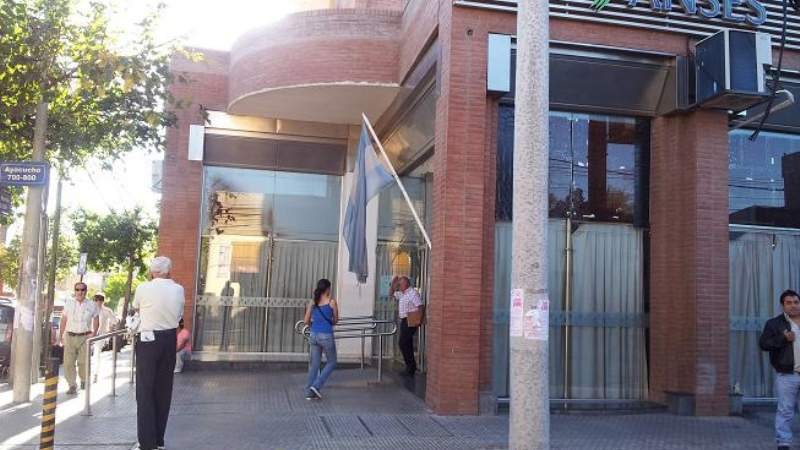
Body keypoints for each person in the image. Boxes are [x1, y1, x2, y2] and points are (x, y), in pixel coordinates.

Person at [132, 256, 185, 450]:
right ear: (169, 271)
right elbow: (179, 315)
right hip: (169, 339)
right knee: (163, 389)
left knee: (145, 390)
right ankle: (159, 440)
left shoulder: (143, 288)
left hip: (148, 339)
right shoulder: (178, 289)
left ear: (152, 271)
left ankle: (147, 442)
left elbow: (136, 307)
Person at [760, 289, 800, 450]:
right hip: (787, 374)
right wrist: (783, 338)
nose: (793, 305)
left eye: (796, 302)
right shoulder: (774, 324)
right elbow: (764, 344)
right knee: (785, 410)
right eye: (789, 303)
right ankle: (783, 442)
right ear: (782, 305)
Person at [58, 282, 99, 395]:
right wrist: (61, 336)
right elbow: (63, 320)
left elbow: (96, 319)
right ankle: (72, 385)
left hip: (85, 337)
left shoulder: (92, 304)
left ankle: (84, 380)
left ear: (86, 291)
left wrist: (94, 334)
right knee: (68, 363)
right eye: (77, 289)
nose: (80, 292)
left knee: (83, 362)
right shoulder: (69, 303)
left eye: (82, 289)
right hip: (70, 336)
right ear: (74, 291)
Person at [303, 278, 338, 400]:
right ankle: (316, 386)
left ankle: (309, 392)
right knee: (332, 362)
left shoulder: (313, 302)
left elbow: (306, 321)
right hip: (326, 335)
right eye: (330, 288)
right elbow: (335, 320)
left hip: (314, 334)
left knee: (315, 364)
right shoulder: (332, 302)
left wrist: (314, 325)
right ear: (327, 289)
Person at [390, 276, 423, 376]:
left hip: (411, 320)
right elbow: (391, 294)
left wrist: (419, 320)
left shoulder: (412, 293)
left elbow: (420, 306)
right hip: (404, 321)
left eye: (400, 284)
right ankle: (410, 367)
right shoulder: (402, 293)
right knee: (407, 344)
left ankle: (410, 366)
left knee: (403, 343)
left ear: (406, 284)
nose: (399, 286)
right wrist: (393, 284)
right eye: (399, 284)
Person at [92, 293, 118, 383]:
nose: (98, 302)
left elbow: (115, 321)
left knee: (96, 354)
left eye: (100, 300)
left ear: (103, 301)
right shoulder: (90, 309)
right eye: (96, 300)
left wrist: (111, 327)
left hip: (100, 336)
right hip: (89, 334)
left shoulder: (107, 311)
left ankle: (95, 374)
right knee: (87, 355)